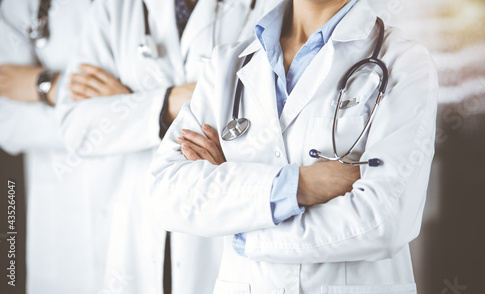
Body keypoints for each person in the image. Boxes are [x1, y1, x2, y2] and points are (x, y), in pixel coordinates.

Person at [149, 0, 439, 293]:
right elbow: (168, 195)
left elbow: (381, 222)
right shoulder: (228, 62)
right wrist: (298, 185)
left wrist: (245, 233)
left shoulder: (404, 61)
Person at [55, 0, 282, 293]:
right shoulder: (116, 7)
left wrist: (129, 102)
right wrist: (169, 102)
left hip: (221, 223)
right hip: (138, 220)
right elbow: (76, 126)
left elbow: (273, 113)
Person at [0, 0, 116, 293]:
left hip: (140, 196)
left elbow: (174, 100)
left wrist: (45, 88)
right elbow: (8, 117)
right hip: (62, 207)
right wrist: (122, 107)